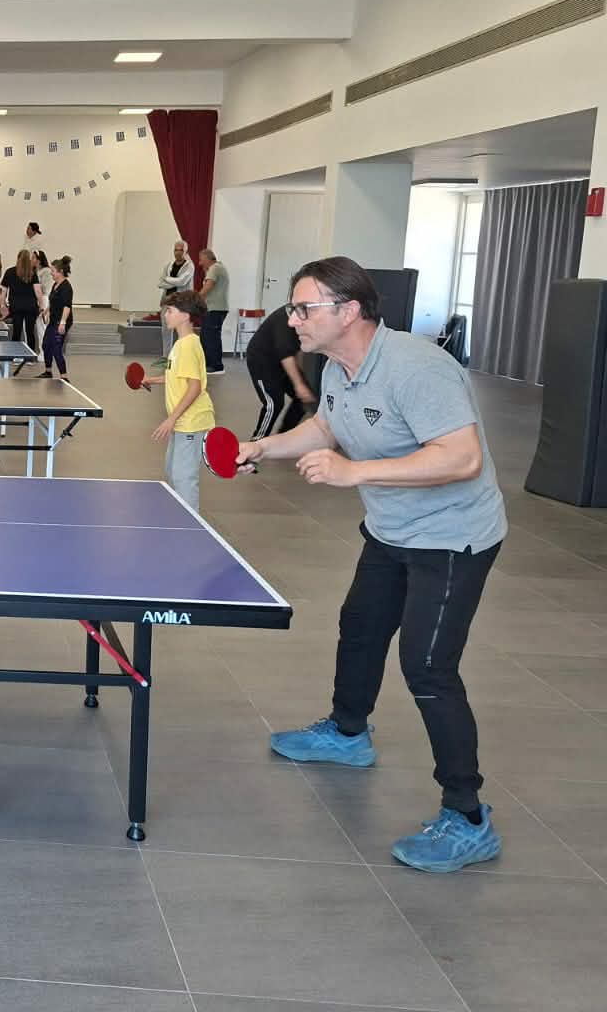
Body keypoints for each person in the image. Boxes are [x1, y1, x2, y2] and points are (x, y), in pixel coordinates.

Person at [239, 257, 508, 873]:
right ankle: (347, 733)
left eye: (304, 308)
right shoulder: (335, 366)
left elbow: (462, 458)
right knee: (360, 627)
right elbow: (325, 428)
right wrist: (263, 447)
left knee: (429, 667)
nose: (292, 319)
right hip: (390, 530)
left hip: (452, 539)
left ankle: (467, 816)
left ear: (349, 311)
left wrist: (355, 472)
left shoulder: (417, 368)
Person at [139, 289, 214, 511]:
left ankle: (191, 525)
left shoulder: (188, 345)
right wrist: (152, 380)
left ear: (185, 315)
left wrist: (171, 419)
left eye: (170, 311)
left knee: (183, 478)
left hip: (191, 422)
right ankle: (181, 518)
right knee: (172, 472)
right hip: (183, 422)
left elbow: (195, 387)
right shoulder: (182, 344)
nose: (166, 315)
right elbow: (177, 376)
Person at [245, 304, 316, 441]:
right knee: (274, 403)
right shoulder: (286, 319)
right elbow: (286, 355)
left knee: (304, 397)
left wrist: (303, 382)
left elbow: (297, 351)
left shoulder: (309, 315)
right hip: (262, 361)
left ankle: (284, 436)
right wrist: (299, 385)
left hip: (281, 361)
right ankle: (256, 441)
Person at [156, 241, 195, 356]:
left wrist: (167, 280)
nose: (178, 253)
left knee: (181, 330)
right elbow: (160, 283)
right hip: (167, 301)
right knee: (166, 330)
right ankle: (166, 356)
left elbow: (182, 282)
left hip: (181, 302)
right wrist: (173, 282)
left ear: (185, 251)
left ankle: (182, 355)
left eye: (180, 250)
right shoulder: (169, 265)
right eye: (176, 250)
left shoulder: (189, 266)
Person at [2, 249, 43, 355]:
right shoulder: (32, 272)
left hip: (16, 306)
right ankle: (30, 355)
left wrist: (2, 304)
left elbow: (3, 291)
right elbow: (38, 291)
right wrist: (41, 305)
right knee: (30, 332)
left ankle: (14, 355)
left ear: (17, 258)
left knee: (16, 331)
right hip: (30, 306)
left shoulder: (9, 272)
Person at [38, 256, 73, 378]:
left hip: (61, 321)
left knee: (56, 348)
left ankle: (64, 376)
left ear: (60, 272)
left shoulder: (66, 287)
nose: (51, 273)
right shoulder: (55, 285)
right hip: (53, 320)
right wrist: (46, 311)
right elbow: (52, 301)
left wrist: (63, 323)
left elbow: (67, 307)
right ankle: (48, 371)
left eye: (53, 271)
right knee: (46, 345)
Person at [199, 248, 230, 374]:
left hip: (215, 308)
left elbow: (208, 286)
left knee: (211, 338)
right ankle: (209, 364)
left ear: (207, 258)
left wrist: (196, 298)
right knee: (207, 337)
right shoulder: (218, 268)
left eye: (201, 260)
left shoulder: (215, 268)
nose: (200, 263)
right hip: (216, 308)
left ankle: (216, 366)